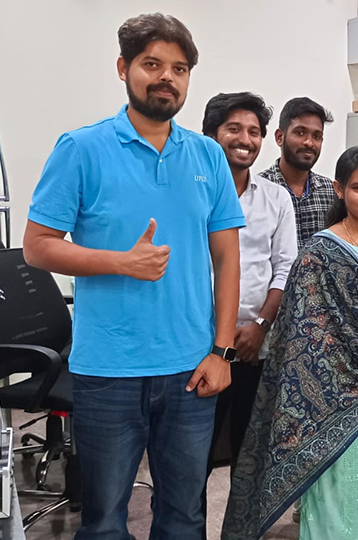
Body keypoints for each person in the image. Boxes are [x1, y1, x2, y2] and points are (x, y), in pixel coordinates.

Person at [23, 13, 245, 540]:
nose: (166, 77)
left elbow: (227, 259)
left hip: (192, 369)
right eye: (152, 64)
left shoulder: (208, 156)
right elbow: (37, 246)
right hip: (109, 371)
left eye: (179, 68)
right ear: (123, 68)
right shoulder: (81, 149)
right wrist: (121, 262)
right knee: (103, 521)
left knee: (185, 517)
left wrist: (222, 351)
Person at [221, 146, 358, 540]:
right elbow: (300, 345)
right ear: (340, 190)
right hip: (331, 407)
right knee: (338, 502)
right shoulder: (319, 255)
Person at [200, 92, 298, 528]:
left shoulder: (275, 198)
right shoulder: (192, 193)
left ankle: (241, 532)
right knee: (194, 455)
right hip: (200, 345)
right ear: (211, 134)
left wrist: (260, 325)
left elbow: (285, 267)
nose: (245, 139)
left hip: (255, 346)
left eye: (254, 132)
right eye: (234, 129)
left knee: (248, 452)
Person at [259, 97, 336, 249]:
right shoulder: (259, 191)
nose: (309, 143)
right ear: (280, 137)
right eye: (300, 133)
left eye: (317, 136)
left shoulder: (330, 191)